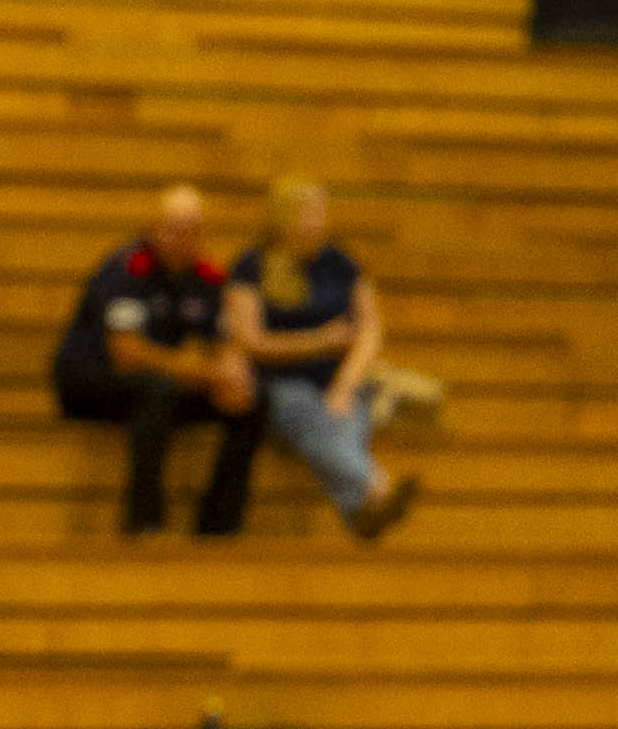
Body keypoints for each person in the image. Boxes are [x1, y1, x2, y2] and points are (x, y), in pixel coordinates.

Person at [54, 185, 262, 540]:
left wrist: (232, 371)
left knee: (253, 399)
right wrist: (201, 372)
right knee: (157, 391)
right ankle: (144, 522)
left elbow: (223, 343)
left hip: (160, 382)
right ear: (153, 228)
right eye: (173, 228)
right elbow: (127, 354)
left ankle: (220, 525)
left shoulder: (207, 277)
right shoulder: (126, 269)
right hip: (91, 381)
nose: (182, 239)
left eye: (191, 230)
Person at [228, 177, 423, 541]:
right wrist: (318, 341)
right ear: (283, 218)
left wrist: (345, 385)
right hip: (280, 381)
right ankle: (376, 485)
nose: (316, 221)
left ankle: (362, 513)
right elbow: (250, 341)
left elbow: (370, 328)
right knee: (307, 412)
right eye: (307, 213)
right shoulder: (252, 266)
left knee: (343, 417)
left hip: (338, 379)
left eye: (320, 212)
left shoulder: (342, 263)